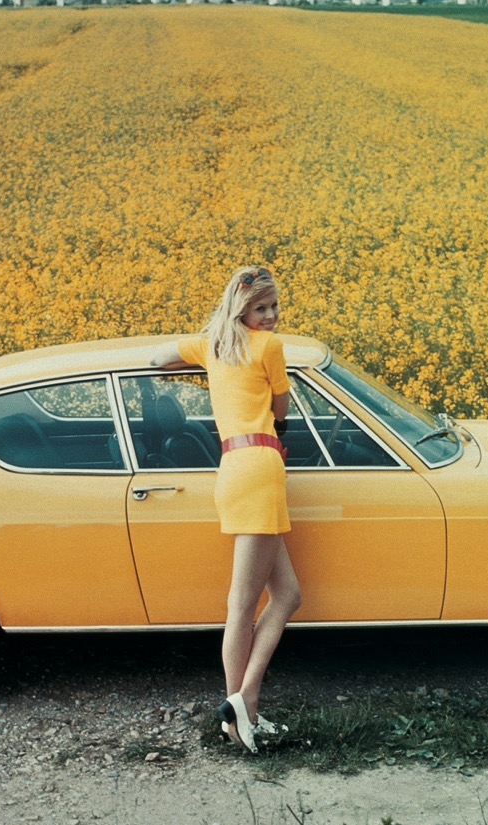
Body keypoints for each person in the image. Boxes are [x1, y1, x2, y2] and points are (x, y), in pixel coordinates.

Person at [151, 265, 302, 754]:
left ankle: (240, 710)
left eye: (274, 306)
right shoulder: (268, 347)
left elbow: (157, 358)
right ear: (241, 310)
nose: (271, 315)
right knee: (241, 605)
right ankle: (243, 704)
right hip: (260, 466)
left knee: (288, 595)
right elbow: (281, 410)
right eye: (260, 308)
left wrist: (208, 353)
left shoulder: (211, 345)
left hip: (232, 467)